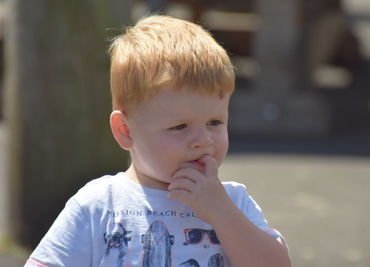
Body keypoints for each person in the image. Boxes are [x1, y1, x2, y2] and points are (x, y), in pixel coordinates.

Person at [25, 15, 290, 267]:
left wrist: (222, 213)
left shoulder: (234, 201)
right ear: (125, 131)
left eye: (214, 122)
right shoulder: (99, 205)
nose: (203, 140)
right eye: (180, 127)